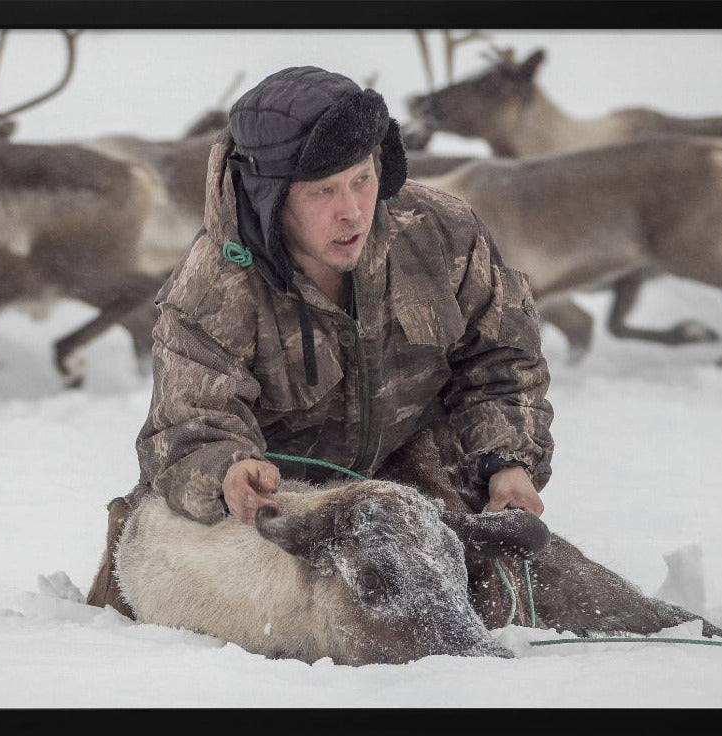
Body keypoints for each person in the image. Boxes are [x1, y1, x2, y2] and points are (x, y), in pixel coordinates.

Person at [86, 65, 554, 617]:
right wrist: (230, 470)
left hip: (411, 493)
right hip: (273, 514)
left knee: (535, 596)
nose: (352, 210)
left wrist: (505, 461)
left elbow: (502, 361)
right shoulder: (213, 286)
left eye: (362, 178)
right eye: (324, 191)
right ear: (271, 197)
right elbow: (189, 426)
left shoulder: (440, 231)